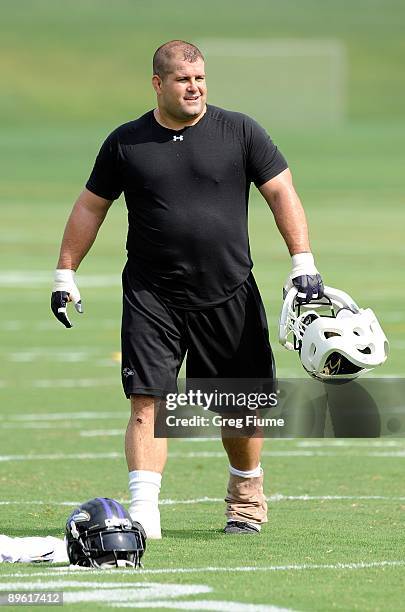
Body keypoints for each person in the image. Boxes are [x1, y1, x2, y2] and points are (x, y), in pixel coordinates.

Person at [51, 40, 323, 538]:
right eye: (183, 79)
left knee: (240, 407)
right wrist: (65, 271)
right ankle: (144, 513)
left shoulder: (239, 130)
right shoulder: (126, 142)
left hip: (229, 289)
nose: (194, 87)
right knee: (145, 399)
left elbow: (281, 189)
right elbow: (92, 205)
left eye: (200, 78)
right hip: (152, 293)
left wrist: (302, 262)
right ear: (159, 84)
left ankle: (245, 496)